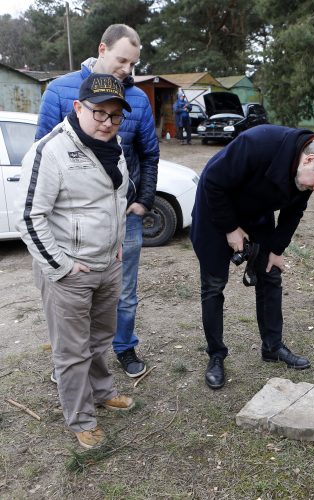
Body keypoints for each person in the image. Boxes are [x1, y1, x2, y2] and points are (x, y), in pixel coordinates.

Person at [190, 124, 314, 390]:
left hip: (256, 213)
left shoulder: (306, 174)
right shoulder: (259, 143)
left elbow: (294, 212)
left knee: (270, 274)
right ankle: (216, 355)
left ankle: (272, 346)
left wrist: (276, 250)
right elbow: (212, 181)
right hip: (216, 210)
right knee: (213, 286)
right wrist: (230, 228)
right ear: (309, 159)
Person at [17, 74, 134, 449]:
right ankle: (81, 418)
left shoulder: (113, 145)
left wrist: (115, 246)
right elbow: (28, 217)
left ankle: (102, 393)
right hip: (69, 272)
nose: (107, 122)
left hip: (107, 264)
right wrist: (62, 266)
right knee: (71, 351)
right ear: (78, 107)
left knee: (99, 340)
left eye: (115, 116)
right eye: (99, 113)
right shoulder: (50, 151)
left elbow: (114, 202)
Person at [36, 24, 159, 378]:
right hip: (70, 221)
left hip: (123, 217)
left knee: (123, 291)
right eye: (122, 60)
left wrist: (144, 200)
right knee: (73, 296)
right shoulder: (60, 91)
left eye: (133, 63)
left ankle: (122, 347)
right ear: (102, 49)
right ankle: (75, 362)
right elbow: (41, 154)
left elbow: (149, 154)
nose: (127, 70)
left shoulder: (136, 98)